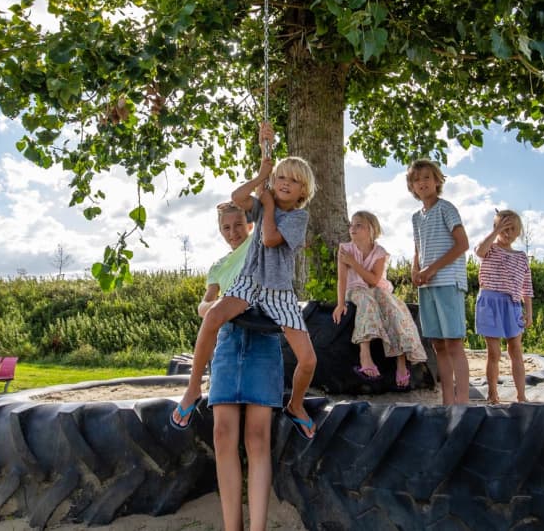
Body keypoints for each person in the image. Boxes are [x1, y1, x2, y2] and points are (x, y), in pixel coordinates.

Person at [173, 121, 319, 439]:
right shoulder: (260, 198)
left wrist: (266, 204)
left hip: (278, 291)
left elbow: (269, 239)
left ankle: (295, 405)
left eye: (292, 181)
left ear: (302, 191)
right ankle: (193, 388)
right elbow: (238, 196)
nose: (284, 183)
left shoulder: (298, 217)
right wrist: (261, 175)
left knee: (308, 359)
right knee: (212, 316)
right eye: (281, 177)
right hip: (249, 282)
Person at [201, 201, 283, 531]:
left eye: (238, 225)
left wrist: (265, 155)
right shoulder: (218, 267)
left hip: (263, 338)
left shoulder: (258, 245)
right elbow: (206, 303)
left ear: (249, 225)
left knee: (257, 437)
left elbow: (266, 203)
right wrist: (211, 306)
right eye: (226, 228)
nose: (233, 232)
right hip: (228, 342)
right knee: (222, 434)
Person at [332, 210, 426, 388]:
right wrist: (340, 304)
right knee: (366, 302)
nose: (353, 228)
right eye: (352, 224)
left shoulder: (380, 252)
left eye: (359, 224)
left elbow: (374, 280)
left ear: (371, 229)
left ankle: (401, 360)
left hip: (376, 288)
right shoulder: (345, 248)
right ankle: (365, 355)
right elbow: (342, 279)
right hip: (356, 289)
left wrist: (353, 263)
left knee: (393, 308)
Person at [407, 159, 470, 405]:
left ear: (437, 181)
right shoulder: (416, 217)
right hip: (427, 286)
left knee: (453, 342)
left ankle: (462, 401)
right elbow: (418, 249)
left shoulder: (446, 208)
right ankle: (447, 402)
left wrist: (432, 268)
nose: (421, 183)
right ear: (411, 187)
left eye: (426, 177)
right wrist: (416, 269)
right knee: (437, 345)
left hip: (447, 282)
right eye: (416, 179)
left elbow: (462, 244)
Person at [474, 209, 534, 404]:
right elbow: (479, 251)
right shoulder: (489, 248)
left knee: (515, 349)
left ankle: (521, 395)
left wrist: (529, 313)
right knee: (494, 352)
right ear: (496, 229)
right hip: (490, 302)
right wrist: (495, 231)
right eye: (503, 229)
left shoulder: (521, 257)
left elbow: (527, 288)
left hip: (513, 304)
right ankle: (492, 394)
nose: (507, 233)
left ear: (519, 232)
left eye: (512, 229)